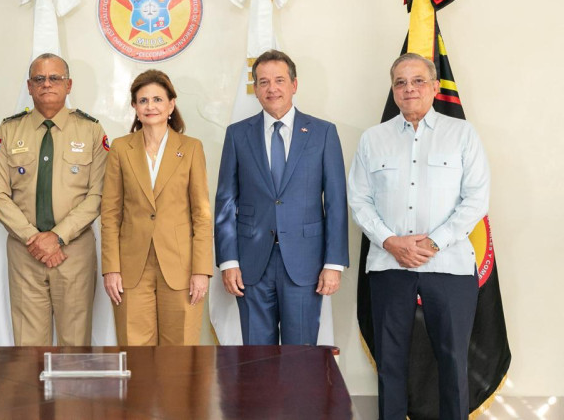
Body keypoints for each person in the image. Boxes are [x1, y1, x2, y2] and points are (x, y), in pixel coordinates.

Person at [348, 53, 490, 420]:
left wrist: (434, 242)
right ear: (393, 90)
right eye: (400, 82)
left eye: (417, 81)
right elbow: (359, 200)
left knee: (453, 361)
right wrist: (390, 241)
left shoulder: (463, 134)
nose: (409, 88)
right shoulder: (372, 139)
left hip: (450, 266)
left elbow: (476, 199)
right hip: (388, 265)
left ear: (434, 86)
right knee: (391, 363)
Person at [214, 50, 348, 345]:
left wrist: (334, 263)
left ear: (294, 85)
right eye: (263, 82)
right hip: (251, 264)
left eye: (279, 80)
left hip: (306, 263)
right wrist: (228, 261)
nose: (271, 88)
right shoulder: (237, 135)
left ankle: (297, 395)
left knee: (299, 356)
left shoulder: (323, 133)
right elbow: (226, 201)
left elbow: (336, 201)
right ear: (256, 90)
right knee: (257, 358)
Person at [0, 53, 108, 346]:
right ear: (29, 86)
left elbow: (98, 194)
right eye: (39, 79)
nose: (47, 84)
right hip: (25, 251)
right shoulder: (9, 129)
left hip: (74, 252)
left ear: (68, 85)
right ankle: (32, 395)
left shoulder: (91, 130)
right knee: (28, 347)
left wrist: (57, 237)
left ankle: (73, 395)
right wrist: (35, 239)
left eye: (55, 78)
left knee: (76, 343)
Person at [101, 69, 213, 345]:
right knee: (135, 350)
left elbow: (201, 214)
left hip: (181, 267)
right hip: (131, 267)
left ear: (171, 104)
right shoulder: (119, 148)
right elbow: (110, 213)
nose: (150, 106)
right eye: (143, 100)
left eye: (157, 99)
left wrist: (201, 270)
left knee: (181, 352)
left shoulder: (191, 148)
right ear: (134, 107)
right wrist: (111, 268)